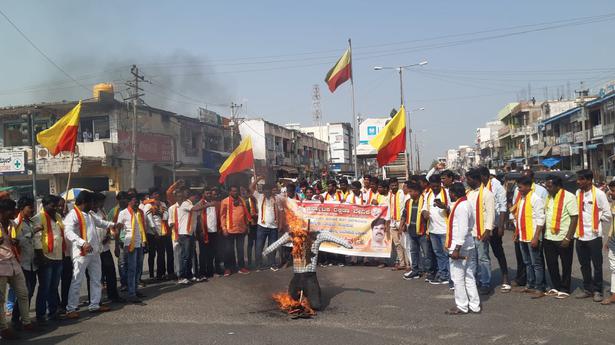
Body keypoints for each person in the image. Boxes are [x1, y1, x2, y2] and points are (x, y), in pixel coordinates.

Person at [263, 208, 352, 310]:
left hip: (310, 277)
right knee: (290, 301)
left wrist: (347, 244)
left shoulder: (319, 235)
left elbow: (335, 238)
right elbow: (277, 243)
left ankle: (311, 292)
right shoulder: (292, 235)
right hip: (297, 277)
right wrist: (265, 251)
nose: (303, 230)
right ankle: (304, 294)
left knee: (316, 306)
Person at [64, 191, 120, 318]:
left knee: (96, 279)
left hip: (94, 251)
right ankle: (71, 308)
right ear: (84, 202)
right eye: (91, 202)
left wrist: (114, 224)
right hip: (81, 252)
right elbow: (68, 232)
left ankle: (94, 304)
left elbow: (101, 223)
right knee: (77, 280)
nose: (93, 205)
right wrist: (82, 242)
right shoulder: (72, 215)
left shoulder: (89, 214)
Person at [0, 199, 36, 339]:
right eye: (11, 210)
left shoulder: (12, 224)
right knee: (0, 300)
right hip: (1, 264)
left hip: (13, 263)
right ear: (2, 212)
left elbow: (20, 236)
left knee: (23, 293)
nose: (14, 212)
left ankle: (26, 322)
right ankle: (3, 328)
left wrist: (15, 241)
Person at [574, 169, 611, 302]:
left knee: (597, 264)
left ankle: (597, 291)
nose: (578, 182)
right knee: (584, 265)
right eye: (578, 179)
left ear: (589, 181)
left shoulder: (599, 194)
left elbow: (607, 215)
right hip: (580, 235)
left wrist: (596, 218)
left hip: (594, 235)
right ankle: (587, 289)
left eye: (581, 179)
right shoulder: (578, 193)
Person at [445, 182, 481, 315]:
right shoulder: (466, 204)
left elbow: (463, 228)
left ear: (454, 193)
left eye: (450, 193)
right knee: (469, 276)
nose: (450, 195)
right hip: (468, 243)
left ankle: (462, 305)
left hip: (460, 245)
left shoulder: (461, 206)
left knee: (458, 277)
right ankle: (474, 305)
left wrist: (456, 249)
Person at [510, 169, 548, 288]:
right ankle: (530, 284)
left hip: (532, 236)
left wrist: (536, 237)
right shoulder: (522, 199)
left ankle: (539, 286)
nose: (519, 190)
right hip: (522, 236)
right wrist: (517, 232)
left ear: (527, 186)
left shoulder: (535, 199)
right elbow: (518, 216)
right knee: (527, 262)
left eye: (520, 187)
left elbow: (541, 219)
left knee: (536, 263)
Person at [542, 175, 578, 299]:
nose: (547, 188)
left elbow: (574, 218)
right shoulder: (548, 197)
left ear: (558, 186)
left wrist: (568, 237)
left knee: (566, 264)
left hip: (563, 237)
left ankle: (565, 288)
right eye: (546, 186)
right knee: (551, 264)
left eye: (550, 186)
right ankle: (556, 286)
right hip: (549, 237)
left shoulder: (569, 197)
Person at [479, 166, 510, 292]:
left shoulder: (497, 187)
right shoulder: (479, 187)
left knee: (498, 251)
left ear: (485, 176)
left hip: (495, 224)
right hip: (482, 225)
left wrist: (501, 226)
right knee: (482, 254)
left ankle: (505, 277)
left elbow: (503, 207)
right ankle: (484, 279)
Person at [465, 168, 495, 295]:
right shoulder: (469, 193)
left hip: (481, 232)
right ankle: (475, 281)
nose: (467, 182)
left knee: (483, 258)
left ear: (475, 179)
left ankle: (486, 283)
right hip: (470, 232)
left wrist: (487, 231)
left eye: (469, 179)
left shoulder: (487, 194)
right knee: (472, 259)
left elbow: (490, 214)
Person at [117, 193, 148, 303]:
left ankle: (135, 289)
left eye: (138, 201)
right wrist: (118, 243)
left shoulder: (138, 213)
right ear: (129, 202)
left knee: (139, 268)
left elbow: (141, 228)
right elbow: (118, 228)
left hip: (139, 243)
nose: (137, 203)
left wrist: (144, 242)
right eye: (135, 201)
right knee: (131, 269)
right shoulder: (123, 213)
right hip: (130, 244)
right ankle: (131, 293)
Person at [12, 197, 37, 325]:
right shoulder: (16, 223)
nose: (32, 210)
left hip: (32, 262)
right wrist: (32, 233)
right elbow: (17, 241)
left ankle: (24, 317)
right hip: (22, 262)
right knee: (24, 293)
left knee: (30, 291)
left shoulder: (30, 222)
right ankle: (16, 318)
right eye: (30, 207)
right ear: (22, 208)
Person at [421, 175, 450, 285]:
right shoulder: (428, 194)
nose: (435, 188)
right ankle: (443, 274)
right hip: (433, 229)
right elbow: (424, 208)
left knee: (447, 254)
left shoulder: (447, 193)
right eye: (433, 186)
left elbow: (453, 207)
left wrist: (444, 207)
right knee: (438, 253)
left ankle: (448, 275)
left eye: (437, 186)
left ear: (440, 184)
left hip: (445, 229)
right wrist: (425, 213)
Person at [402, 182, 433, 280]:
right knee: (413, 251)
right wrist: (401, 226)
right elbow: (404, 214)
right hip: (411, 231)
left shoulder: (424, 200)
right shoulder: (408, 202)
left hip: (423, 231)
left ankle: (429, 272)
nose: (409, 193)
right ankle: (415, 270)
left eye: (410, 191)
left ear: (417, 192)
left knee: (426, 253)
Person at [251, 178, 280, 271]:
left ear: (271, 191)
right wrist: (258, 179)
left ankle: (272, 263)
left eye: (269, 191)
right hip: (262, 227)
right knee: (259, 246)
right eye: (265, 191)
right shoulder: (259, 197)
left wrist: (281, 224)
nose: (267, 193)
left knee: (272, 246)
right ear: (263, 191)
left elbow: (281, 212)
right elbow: (251, 187)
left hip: (274, 227)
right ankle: (258, 265)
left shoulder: (277, 199)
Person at [177, 190, 206, 284]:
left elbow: (198, 212)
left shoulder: (192, 205)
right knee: (185, 256)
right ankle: (182, 276)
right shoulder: (186, 203)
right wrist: (208, 205)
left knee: (190, 256)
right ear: (191, 196)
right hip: (184, 233)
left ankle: (189, 275)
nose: (196, 199)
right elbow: (195, 209)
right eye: (196, 197)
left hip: (190, 233)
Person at [220, 185, 249, 276]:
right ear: (229, 192)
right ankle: (228, 268)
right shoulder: (225, 202)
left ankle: (241, 267)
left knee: (240, 249)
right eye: (233, 191)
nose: (235, 193)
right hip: (230, 230)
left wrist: (247, 226)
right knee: (229, 250)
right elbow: (222, 216)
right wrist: (224, 228)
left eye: (236, 191)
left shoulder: (242, 200)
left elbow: (245, 214)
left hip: (241, 229)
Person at [142, 188, 170, 281]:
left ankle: (160, 274)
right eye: (155, 194)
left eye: (158, 193)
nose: (157, 195)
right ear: (151, 195)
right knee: (152, 254)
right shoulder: (148, 205)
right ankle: (151, 274)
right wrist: (155, 232)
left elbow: (166, 216)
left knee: (161, 254)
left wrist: (158, 212)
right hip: (152, 233)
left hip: (162, 232)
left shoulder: (163, 204)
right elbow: (149, 220)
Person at [198, 187, 220, 279]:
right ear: (203, 194)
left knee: (213, 253)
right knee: (203, 253)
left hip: (214, 231)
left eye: (210, 193)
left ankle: (211, 271)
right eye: (207, 193)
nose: (209, 195)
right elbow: (198, 218)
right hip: (204, 232)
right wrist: (201, 231)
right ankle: (202, 272)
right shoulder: (200, 204)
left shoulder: (215, 203)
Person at [388, 178, 408, 270]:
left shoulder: (403, 193)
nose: (394, 187)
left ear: (398, 184)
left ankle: (409, 264)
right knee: (397, 244)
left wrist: (403, 224)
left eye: (396, 185)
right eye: (392, 185)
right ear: (390, 186)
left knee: (405, 244)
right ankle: (402, 263)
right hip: (393, 222)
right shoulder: (390, 195)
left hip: (401, 222)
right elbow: (388, 208)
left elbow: (405, 209)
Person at [602, 181, 615, 305]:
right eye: (611, 190)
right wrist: (609, 238)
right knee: (613, 268)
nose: (612, 193)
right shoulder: (614, 204)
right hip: (614, 239)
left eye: (614, 190)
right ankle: (614, 294)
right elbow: (613, 223)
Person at [168, 189, 185, 280]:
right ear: (175, 197)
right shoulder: (172, 208)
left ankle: (188, 273)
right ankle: (179, 274)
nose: (180, 198)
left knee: (186, 255)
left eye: (182, 196)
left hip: (186, 234)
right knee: (177, 255)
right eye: (178, 196)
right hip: (176, 234)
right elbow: (170, 221)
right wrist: (172, 224)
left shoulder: (187, 206)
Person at [243, 187, 259, 269]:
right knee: (250, 244)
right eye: (249, 194)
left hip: (258, 224)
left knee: (258, 244)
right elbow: (245, 215)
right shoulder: (246, 202)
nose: (250, 195)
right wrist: (247, 226)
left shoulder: (257, 201)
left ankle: (257, 260)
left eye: (251, 193)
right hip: (250, 225)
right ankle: (249, 261)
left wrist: (257, 214)